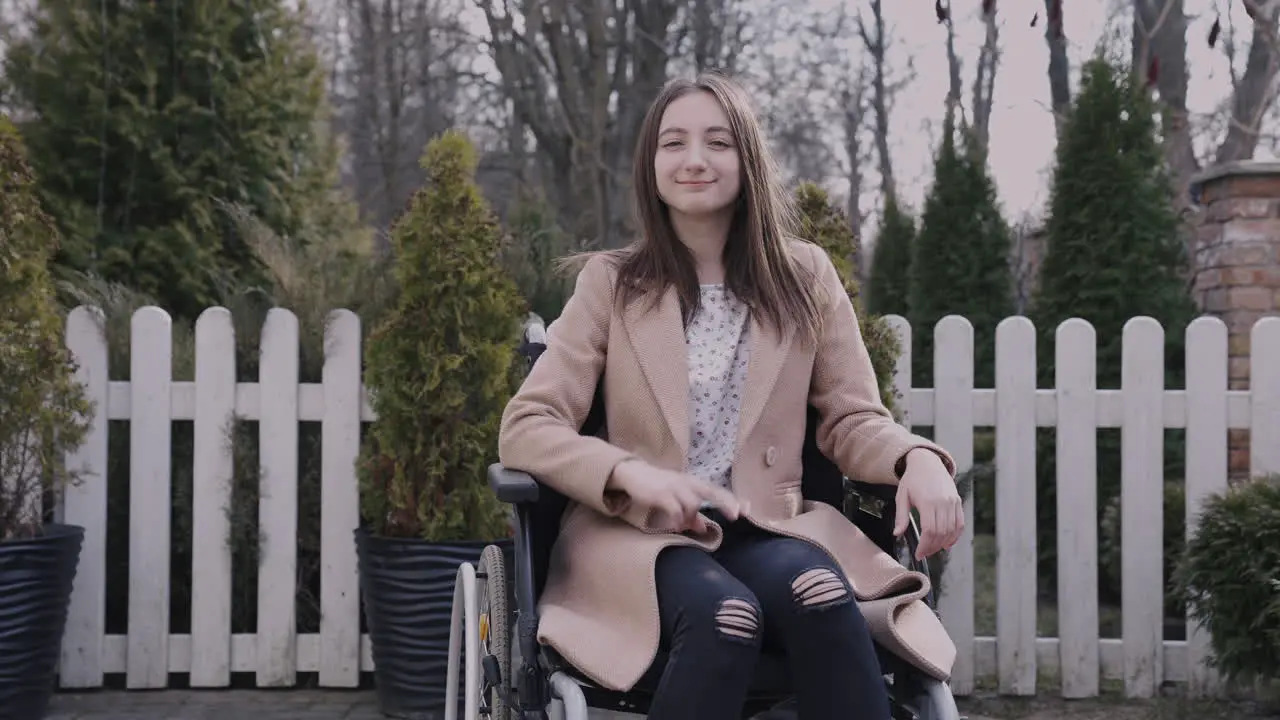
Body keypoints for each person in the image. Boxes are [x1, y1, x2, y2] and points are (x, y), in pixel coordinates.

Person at [498, 71, 963, 720]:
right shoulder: (613, 284)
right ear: (650, 164)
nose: (694, 160)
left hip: (766, 525)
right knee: (728, 620)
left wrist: (916, 459)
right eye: (674, 143)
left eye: (718, 142)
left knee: (822, 596)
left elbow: (854, 418)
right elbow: (527, 424)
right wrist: (630, 474)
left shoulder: (804, 279)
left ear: (748, 159)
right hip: (639, 535)